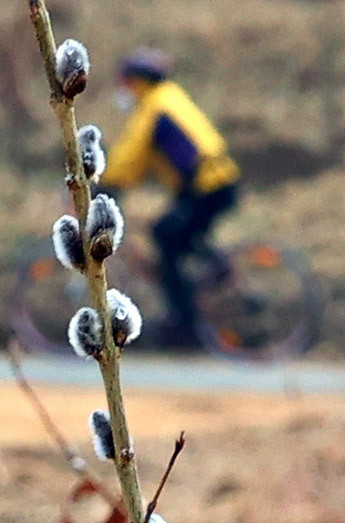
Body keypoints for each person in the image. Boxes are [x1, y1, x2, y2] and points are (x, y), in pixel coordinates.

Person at [101, 49, 240, 348]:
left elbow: (130, 155)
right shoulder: (167, 98)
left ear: (138, 82)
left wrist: (104, 184)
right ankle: (206, 277)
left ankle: (185, 322)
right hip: (212, 183)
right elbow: (138, 158)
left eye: (125, 83)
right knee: (174, 237)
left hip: (207, 186)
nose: (122, 90)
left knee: (165, 237)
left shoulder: (154, 108)